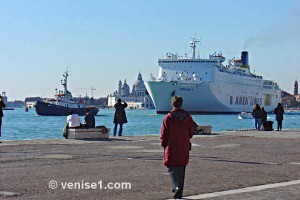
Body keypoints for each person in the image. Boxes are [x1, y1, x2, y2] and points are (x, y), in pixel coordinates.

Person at [160, 96, 195, 199]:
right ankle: (179, 189)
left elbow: (164, 134)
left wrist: (164, 144)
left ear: (172, 104)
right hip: (183, 146)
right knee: (182, 167)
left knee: (171, 166)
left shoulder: (168, 117)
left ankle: (176, 187)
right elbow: (191, 131)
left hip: (171, 146)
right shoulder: (188, 117)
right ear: (181, 104)